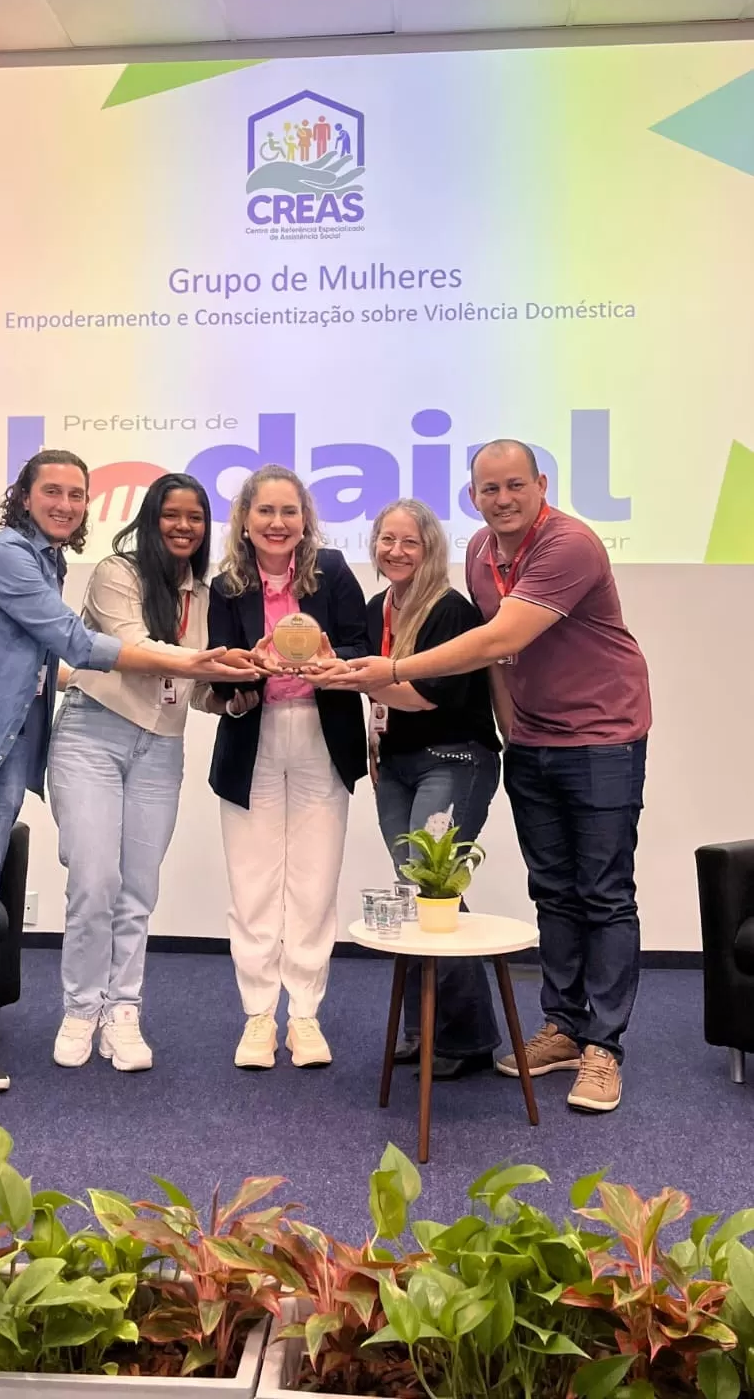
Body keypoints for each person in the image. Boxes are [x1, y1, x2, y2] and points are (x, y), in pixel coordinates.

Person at [0, 450, 256, 1126]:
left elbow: (48, 665)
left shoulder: (53, 565)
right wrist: (199, 661)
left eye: (77, 495)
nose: (66, 505)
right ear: (24, 495)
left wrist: (220, 685)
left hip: (5, 741)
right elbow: (74, 642)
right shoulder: (6, 554)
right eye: (53, 491)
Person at [324, 440, 651, 1115]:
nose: (502, 499)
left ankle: (604, 1047)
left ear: (541, 484)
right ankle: (563, 1026)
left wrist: (393, 669)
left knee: (604, 892)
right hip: (531, 742)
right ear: (473, 496)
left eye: (514, 486)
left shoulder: (569, 545)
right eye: (489, 489)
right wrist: (510, 734)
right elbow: (498, 666)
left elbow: (501, 639)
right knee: (553, 891)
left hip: (602, 738)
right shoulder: (481, 552)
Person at [48, 474, 240, 1074]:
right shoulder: (117, 573)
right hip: (92, 734)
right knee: (94, 880)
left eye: (196, 517)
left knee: (138, 888)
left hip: (161, 748)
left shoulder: (204, 594)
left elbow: (196, 690)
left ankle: (122, 1009)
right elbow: (133, 649)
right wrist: (211, 664)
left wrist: (234, 696)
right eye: (171, 515)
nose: (184, 527)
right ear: (151, 518)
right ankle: (81, 1008)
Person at [206, 465, 368, 1071]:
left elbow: (362, 647)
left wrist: (331, 658)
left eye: (289, 511)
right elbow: (219, 675)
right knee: (252, 882)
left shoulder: (334, 571)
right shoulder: (226, 586)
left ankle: (303, 1014)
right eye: (266, 511)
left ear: (306, 520)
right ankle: (257, 1016)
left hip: (322, 736)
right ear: (245, 520)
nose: (278, 523)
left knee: (314, 880)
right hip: (255, 736)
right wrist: (246, 670)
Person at [365, 499, 501, 1079]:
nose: (396, 551)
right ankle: (424, 1030)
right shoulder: (376, 608)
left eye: (410, 542)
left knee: (433, 887)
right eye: (387, 539)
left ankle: (465, 1038)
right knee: (416, 891)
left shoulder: (452, 611)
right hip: (395, 766)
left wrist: (356, 677)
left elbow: (425, 697)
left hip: (453, 761)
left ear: (431, 550)